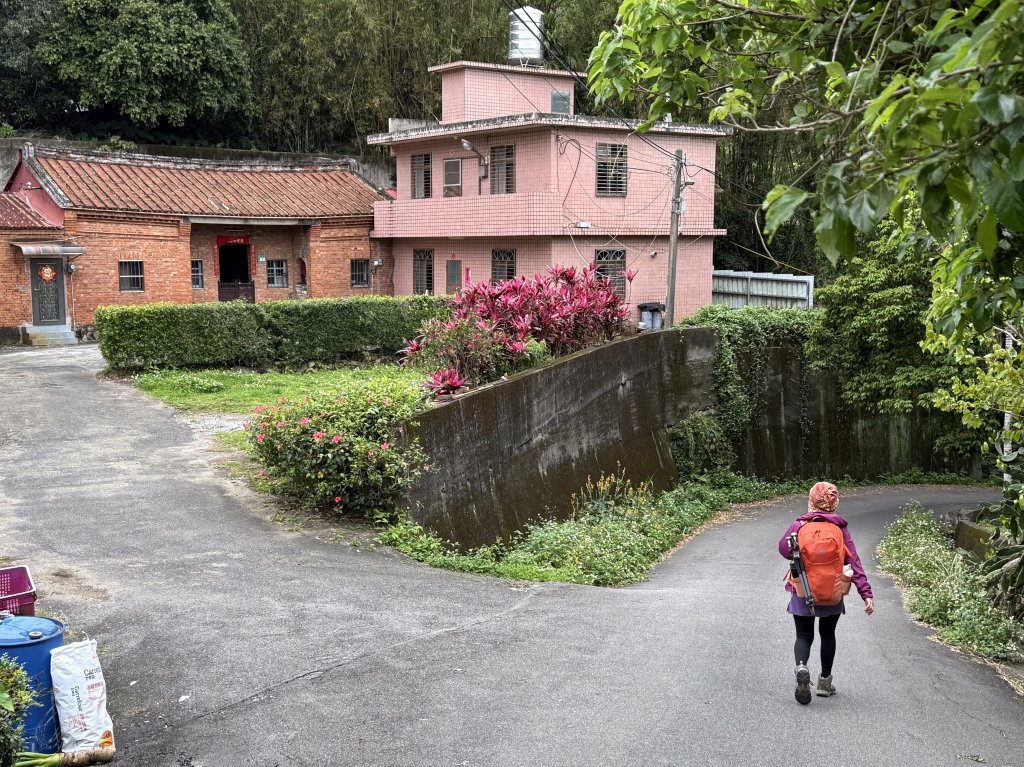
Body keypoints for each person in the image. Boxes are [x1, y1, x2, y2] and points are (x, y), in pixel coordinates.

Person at [779, 481, 874, 704]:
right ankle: (824, 682)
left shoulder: (800, 524)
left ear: (812, 500)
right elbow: (854, 561)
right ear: (834, 502)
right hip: (832, 590)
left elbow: (784, 549)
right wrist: (866, 593)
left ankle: (801, 666)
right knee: (827, 634)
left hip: (804, 589)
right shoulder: (840, 528)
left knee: (803, 635)